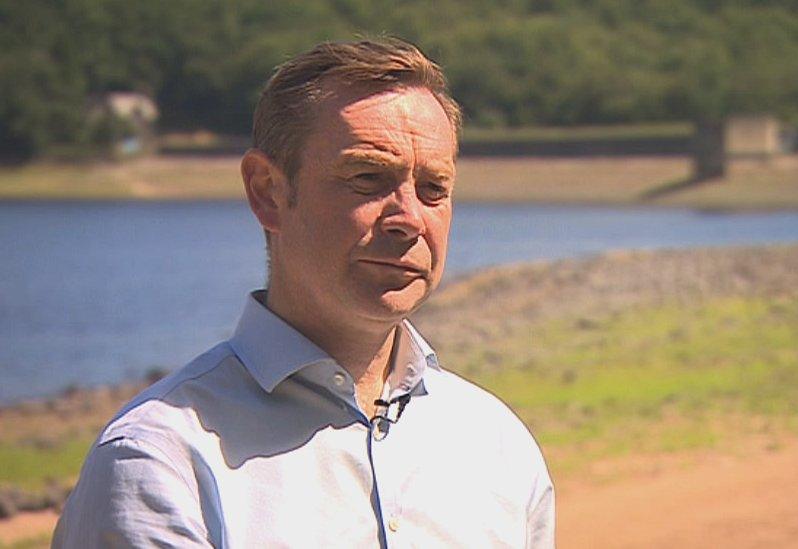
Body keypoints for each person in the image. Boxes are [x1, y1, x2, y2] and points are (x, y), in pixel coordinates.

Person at [53, 39, 555, 548]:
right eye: (367, 178)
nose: (409, 218)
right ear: (267, 192)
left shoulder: (497, 445)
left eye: (434, 188)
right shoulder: (162, 462)